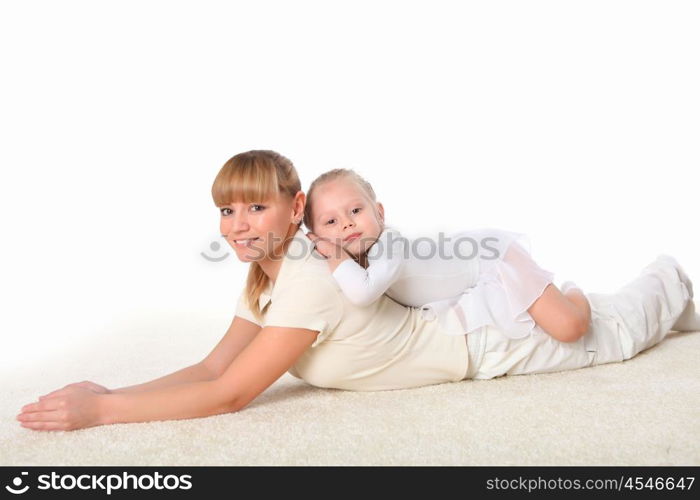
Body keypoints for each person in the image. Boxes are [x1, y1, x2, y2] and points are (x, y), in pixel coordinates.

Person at [16, 150, 700, 432]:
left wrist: (101, 416)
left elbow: (231, 395)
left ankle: (670, 275)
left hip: (486, 343)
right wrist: (105, 392)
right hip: (462, 325)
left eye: (256, 208)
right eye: (228, 211)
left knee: (613, 330)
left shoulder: (310, 279)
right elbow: (212, 367)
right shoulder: (263, 279)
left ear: (295, 209)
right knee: (606, 318)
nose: (238, 225)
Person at [302, 167, 591, 342]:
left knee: (570, 328)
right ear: (314, 235)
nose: (347, 223)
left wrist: (332, 252)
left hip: (489, 257)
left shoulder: (390, 244)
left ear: (379, 212)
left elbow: (363, 293)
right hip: (466, 270)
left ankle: (573, 291)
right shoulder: (356, 259)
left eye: (355, 210)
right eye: (331, 222)